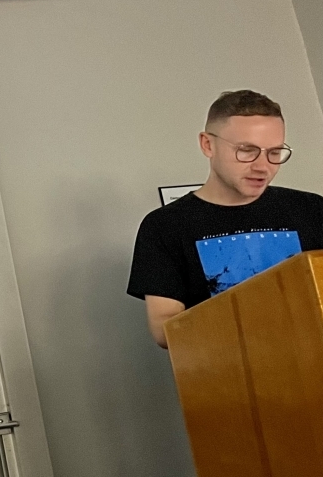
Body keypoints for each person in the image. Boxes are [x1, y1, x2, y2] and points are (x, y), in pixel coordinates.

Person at [127, 90, 323, 348]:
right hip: (228, 380)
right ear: (208, 144)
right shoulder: (165, 226)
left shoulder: (312, 209)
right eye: (247, 150)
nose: (263, 166)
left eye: (275, 153)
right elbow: (165, 330)